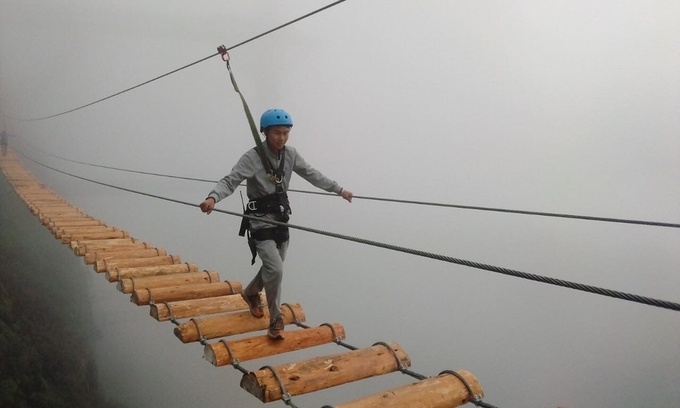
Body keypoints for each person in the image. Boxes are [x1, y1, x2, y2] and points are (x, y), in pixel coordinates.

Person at [199, 108, 353, 340]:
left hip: (281, 220)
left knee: (273, 269)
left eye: (285, 133)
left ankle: (251, 293)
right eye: (276, 133)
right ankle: (276, 319)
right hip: (260, 222)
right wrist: (213, 198)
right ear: (265, 132)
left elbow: (311, 174)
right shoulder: (252, 158)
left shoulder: (290, 155)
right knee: (277, 270)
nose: (281, 138)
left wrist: (338, 189)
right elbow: (231, 180)